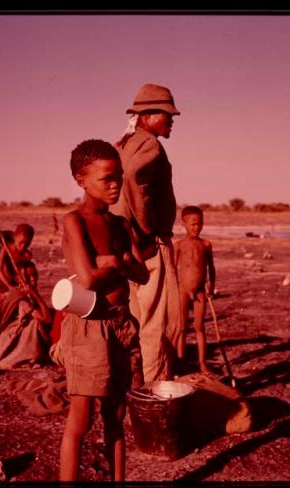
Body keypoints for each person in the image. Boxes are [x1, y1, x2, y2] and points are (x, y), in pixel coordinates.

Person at [59, 139, 148, 482]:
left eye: (118, 177)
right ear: (82, 179)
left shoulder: (121, 225)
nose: (115, 185)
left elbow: (141, 273)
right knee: (80, 420)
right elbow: (88, 278)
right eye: (106, 178)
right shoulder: (74, 221)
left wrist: (118, 261)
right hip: (89, 323)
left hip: (121, 322)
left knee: (117, 415)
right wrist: (118, 263)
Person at [110, 83, 182, 382]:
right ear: (148, 115)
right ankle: (153, 391)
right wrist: (146, 228)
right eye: (167, 114)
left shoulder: (125, 143)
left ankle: (133, 385)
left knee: (134, 319)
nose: (172, 120)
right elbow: (135, 180)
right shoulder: (149, 145)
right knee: (154, 325)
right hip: (148, 246)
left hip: (125, 245)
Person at [174, 206, 216, 376]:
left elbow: (211, 268)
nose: (196, 227)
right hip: (182, 290)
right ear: (183, 224)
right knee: (182, 328)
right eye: (192, 224)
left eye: (200, 224)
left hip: (200, 291)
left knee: (199, 327)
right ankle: (180, 363)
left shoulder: (206, 244)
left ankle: (202, 363)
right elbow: (171, 268)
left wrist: (211, 286)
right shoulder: (179, 245)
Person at [0, 223, 34, 352]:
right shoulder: (6, 249)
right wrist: (8, 286)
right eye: (21, 243)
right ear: (15, 238)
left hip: (15, 285)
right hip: (0, 285)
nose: (23, 246)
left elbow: (23, 270)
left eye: (27, 244)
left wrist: (23, 279)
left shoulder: (26, 254)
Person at [0, 260, 53, 370]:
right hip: (14, 338)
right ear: (19, 279)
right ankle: (26, 355)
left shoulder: (28, 295)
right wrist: (35, 294)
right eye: (28, 277)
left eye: (34, 275)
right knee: (35, 323)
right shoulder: (22, 299)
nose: (32, 279)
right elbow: (46, 319)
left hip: (19, 332)